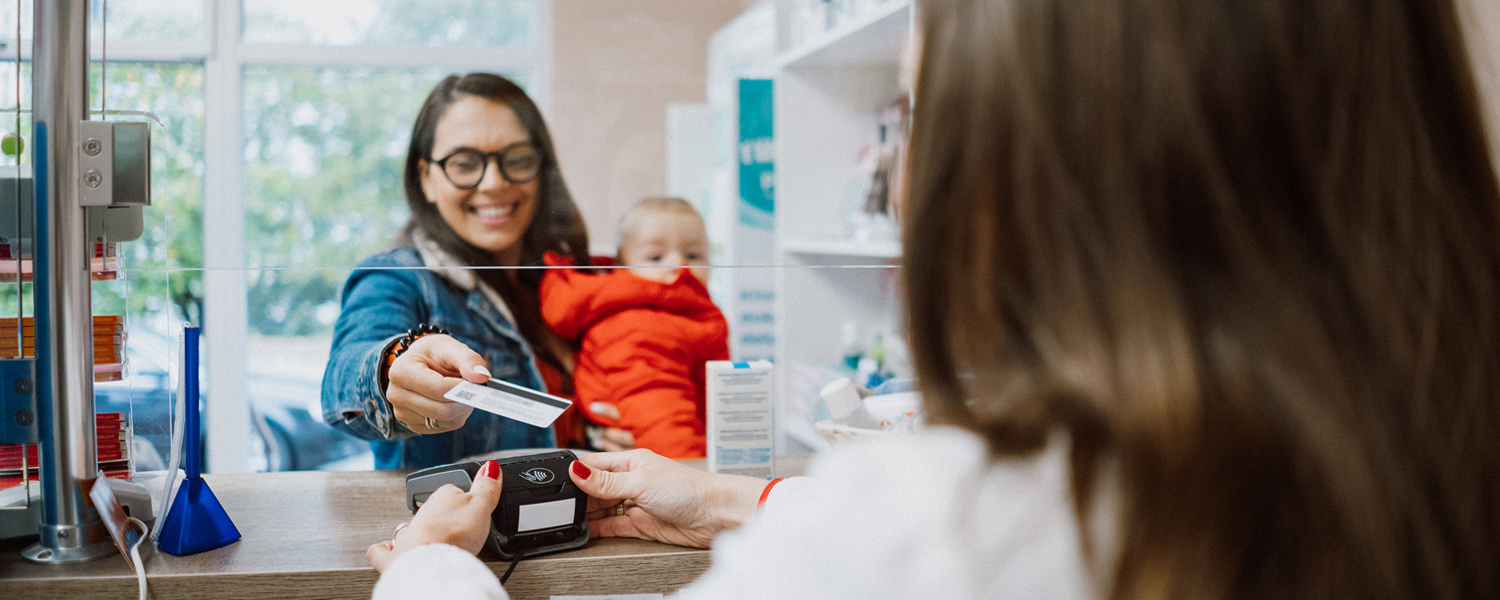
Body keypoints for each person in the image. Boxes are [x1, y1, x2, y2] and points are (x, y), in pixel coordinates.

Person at [367, 0, 1500, 598]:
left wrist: (428, 577)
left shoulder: (932, 533)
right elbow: (363, 359)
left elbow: (925, 553)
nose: (493, 185)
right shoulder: (1437, 477)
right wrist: (729, 501)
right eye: (463, 163)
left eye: (913, 121)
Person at [321, 73, 594, 469]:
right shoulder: (397, 277)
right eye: (464, 164)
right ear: (426, 178)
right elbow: (345, 374)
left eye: (516, 159)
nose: (494, 183)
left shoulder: (571, 280)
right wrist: (392, 369)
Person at [539, 197, 729, 459]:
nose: (678, 265)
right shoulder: (639, 325)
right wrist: (696, 474)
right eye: (655, 257)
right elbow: (660, 415)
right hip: (671, 462)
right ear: (622, 267)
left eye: (693, 255)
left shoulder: (684, 314)